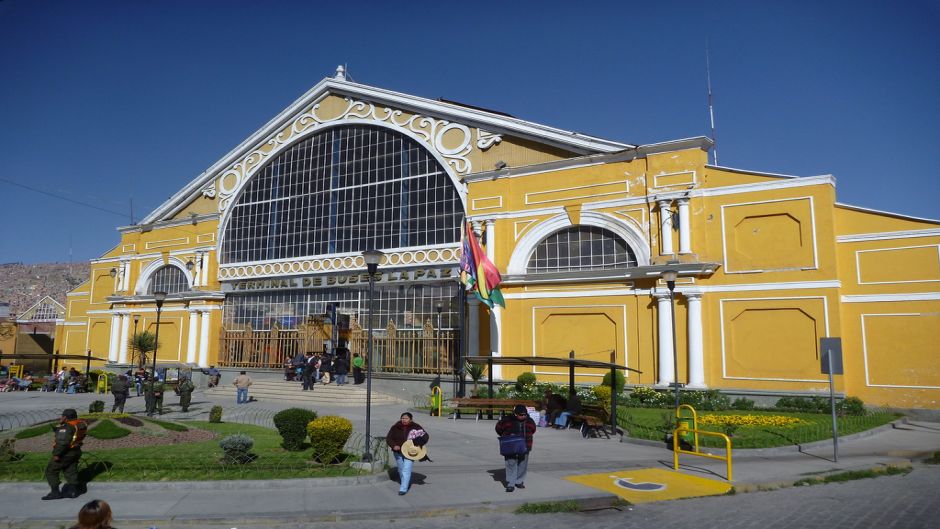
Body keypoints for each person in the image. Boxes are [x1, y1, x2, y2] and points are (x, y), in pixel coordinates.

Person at [43, 408, 87, 500]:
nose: (61, 417)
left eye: (62, 416)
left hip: (65, 453)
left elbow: (63, 442)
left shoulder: (66, 427)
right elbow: (73, 435)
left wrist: (56, 454)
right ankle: (73, 492)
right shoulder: (80, 424)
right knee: (70, 470)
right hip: (76, 451)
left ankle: (55, 493)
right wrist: (59, 428)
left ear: (66, 417)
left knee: (51, 470)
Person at [385, 412, 429, 495]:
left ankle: (403, 488)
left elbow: (425, 436)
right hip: (398, 452)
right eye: (402, 418)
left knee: (406, 469)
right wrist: (394, 446)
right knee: (401, 469)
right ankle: (405, 481)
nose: (404, 420)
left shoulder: (416, 427)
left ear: (410, 419)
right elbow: (389, 438)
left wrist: (415, 443)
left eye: (406, 418)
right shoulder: (395, 427)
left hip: (410, 453)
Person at [495, 404, 537, 492]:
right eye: (521, 414)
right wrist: (505, 435)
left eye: (525, 414)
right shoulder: (506, 420)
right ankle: (511, 483)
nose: (523, 416)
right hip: (510, 445)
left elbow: (533, 429)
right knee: (510, 463)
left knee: (523, 462)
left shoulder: (529, 421)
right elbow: (498, 428)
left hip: (525, 444)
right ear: (515, 414)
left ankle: (519, 481)